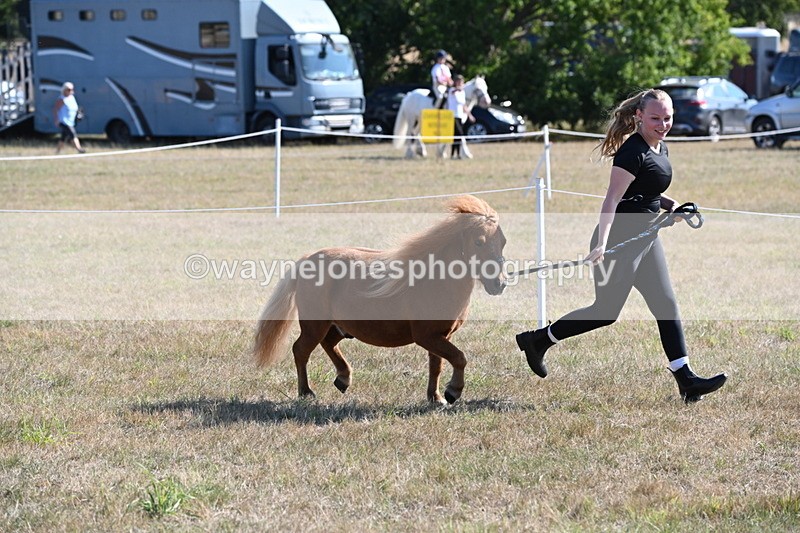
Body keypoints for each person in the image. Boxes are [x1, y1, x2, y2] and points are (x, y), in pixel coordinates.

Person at [515, 88, 727, 403]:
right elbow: (612, 199)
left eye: (667, 118)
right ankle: (537, 340)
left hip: (646, 238)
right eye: (656, 118)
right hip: (620, 240)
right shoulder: (633, 151)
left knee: (666, 305)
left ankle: (686, 379)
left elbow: (647, 191)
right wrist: (600, 244)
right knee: (605, 311)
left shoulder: (660, 147)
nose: (663, 124)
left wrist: (673, 206)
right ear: (639, 116)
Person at [446, 75, 474, 159]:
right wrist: (459, 88)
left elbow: (463, 105)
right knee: (460, 133)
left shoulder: (462, 92)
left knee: (456, 136)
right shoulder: (452, 90)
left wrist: (469, 115)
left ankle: (456, 154)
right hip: (453, 115)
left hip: (459, 115)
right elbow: (454, 91)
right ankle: (454, 154)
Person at [53, 81, 85, 154]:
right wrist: (56, 119)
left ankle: (57, 152)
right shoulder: (62, 99)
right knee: (73, 134)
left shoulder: (72, 98)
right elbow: (55, 109)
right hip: (64, 121)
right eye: (68, 89)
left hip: (71, 121)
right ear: (64, 90)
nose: (70, 91)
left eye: (71, 89)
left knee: (63, 137)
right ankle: (79, 149)